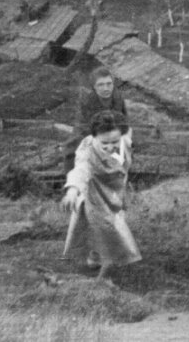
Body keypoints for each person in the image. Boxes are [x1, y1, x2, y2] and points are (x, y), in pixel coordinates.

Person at [60, 110, 141, 280]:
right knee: (106, 226)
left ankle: (96, 255)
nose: (110, 147)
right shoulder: (87, 150)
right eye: (104, 143)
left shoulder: (125, 140)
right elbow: (81, 169)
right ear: (94, 137)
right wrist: (73, 190)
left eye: (114, 141)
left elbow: (128, 135)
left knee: (104, 226)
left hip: (115, 191)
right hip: (95, 193)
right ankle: (103, 273)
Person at [57, 67, 129, 173]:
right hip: (88, 132)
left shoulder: (117, 98)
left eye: (109, 84)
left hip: (112, 133)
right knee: (75, 150)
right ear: (94, 87)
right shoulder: (88, 101)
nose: (106, 88)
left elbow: (124, 120)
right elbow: (88, 126)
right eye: (101, 85)